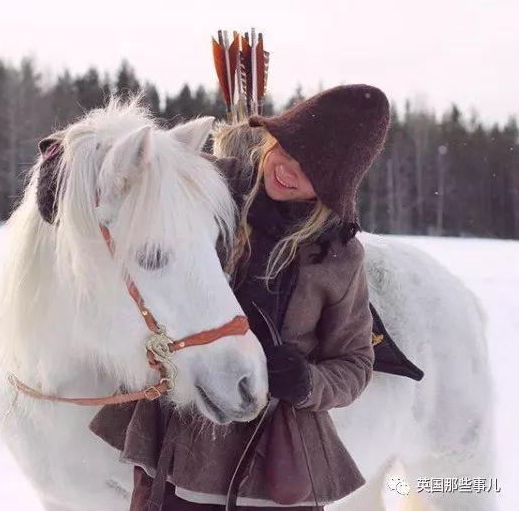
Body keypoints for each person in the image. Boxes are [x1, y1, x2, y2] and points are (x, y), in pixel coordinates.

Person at [90, 83, 391, 510]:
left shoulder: (338, 255)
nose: (288, 168)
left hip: (273, 460)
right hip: (180, 433)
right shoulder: (213, 187)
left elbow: (355, 362)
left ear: (333, 186)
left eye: (313, 170)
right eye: (287, 149)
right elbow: (127, 178)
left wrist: (307, 382)